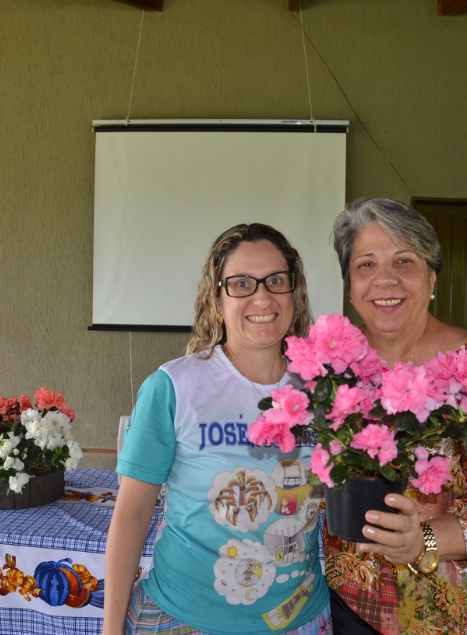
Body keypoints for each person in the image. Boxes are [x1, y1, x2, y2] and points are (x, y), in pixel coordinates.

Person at [103, 224, 331, 635]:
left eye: (276, 281)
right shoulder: (172, 387)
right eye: (241, 284)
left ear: (294, 293)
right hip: (181, 620)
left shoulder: (326, 389)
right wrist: (111, 629)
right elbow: (132, 515)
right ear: (217, 299)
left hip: (300, 620)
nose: (262, 297)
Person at [324, 198, 467, 635]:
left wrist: (427, 539)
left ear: (432, 277)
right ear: (350, 285)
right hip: (346, 605)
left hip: (454, 612)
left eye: (404, 261)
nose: (385, 279)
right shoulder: (335, 370)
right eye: (366, 265)